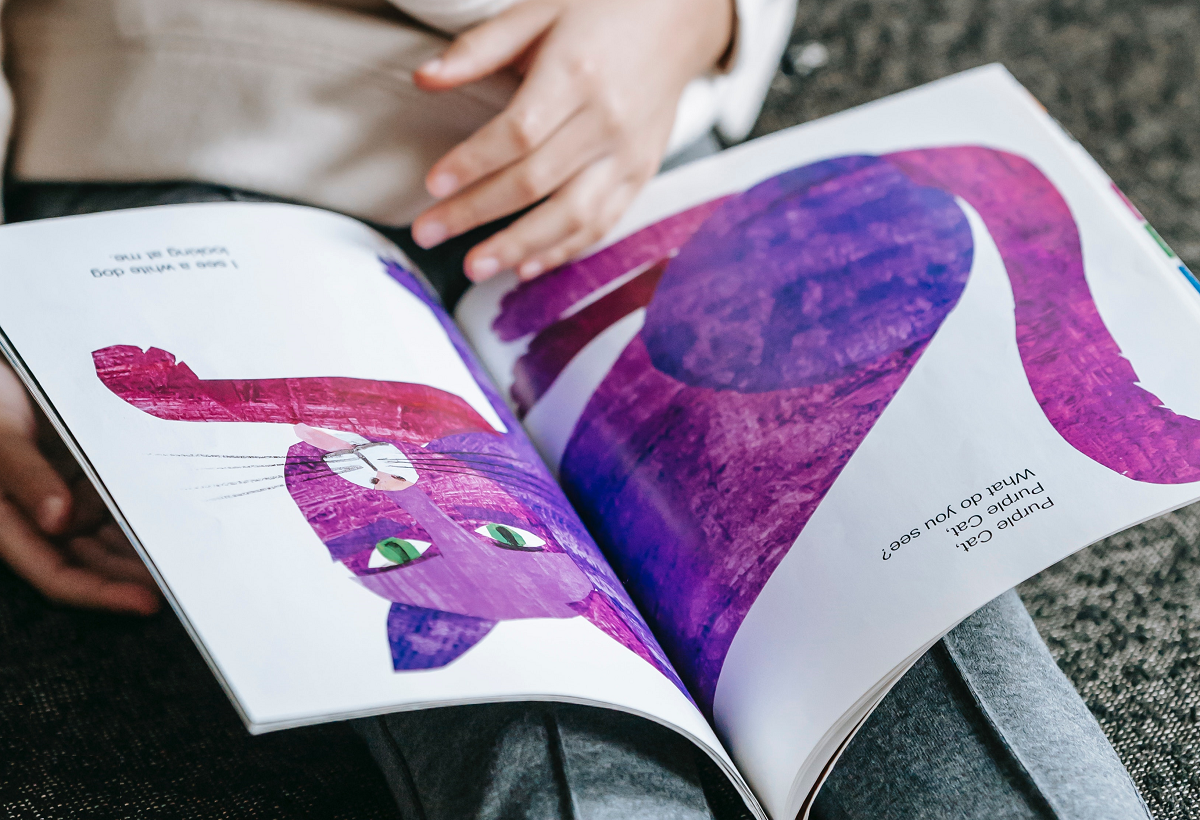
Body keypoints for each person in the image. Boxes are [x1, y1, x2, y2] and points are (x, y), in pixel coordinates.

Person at [0, 2, 1156, 818]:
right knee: (552, 718)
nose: (407, 502)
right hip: (174, 127)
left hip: (602, 116)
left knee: (884, 623)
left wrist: (696, 12)